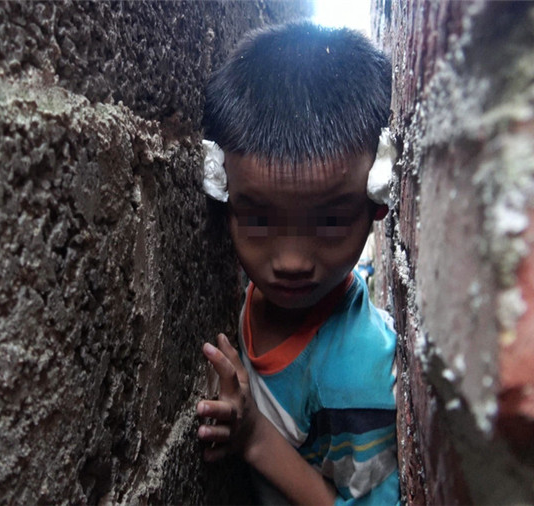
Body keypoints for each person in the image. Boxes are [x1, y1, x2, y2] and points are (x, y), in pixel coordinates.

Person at [196, 21, 399, 505]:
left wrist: (254, 437)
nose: (290, 262)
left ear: (377, 201)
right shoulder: (265, 297)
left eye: (329, 220)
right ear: (224, 197)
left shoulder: (358, 373)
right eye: (260, 219)